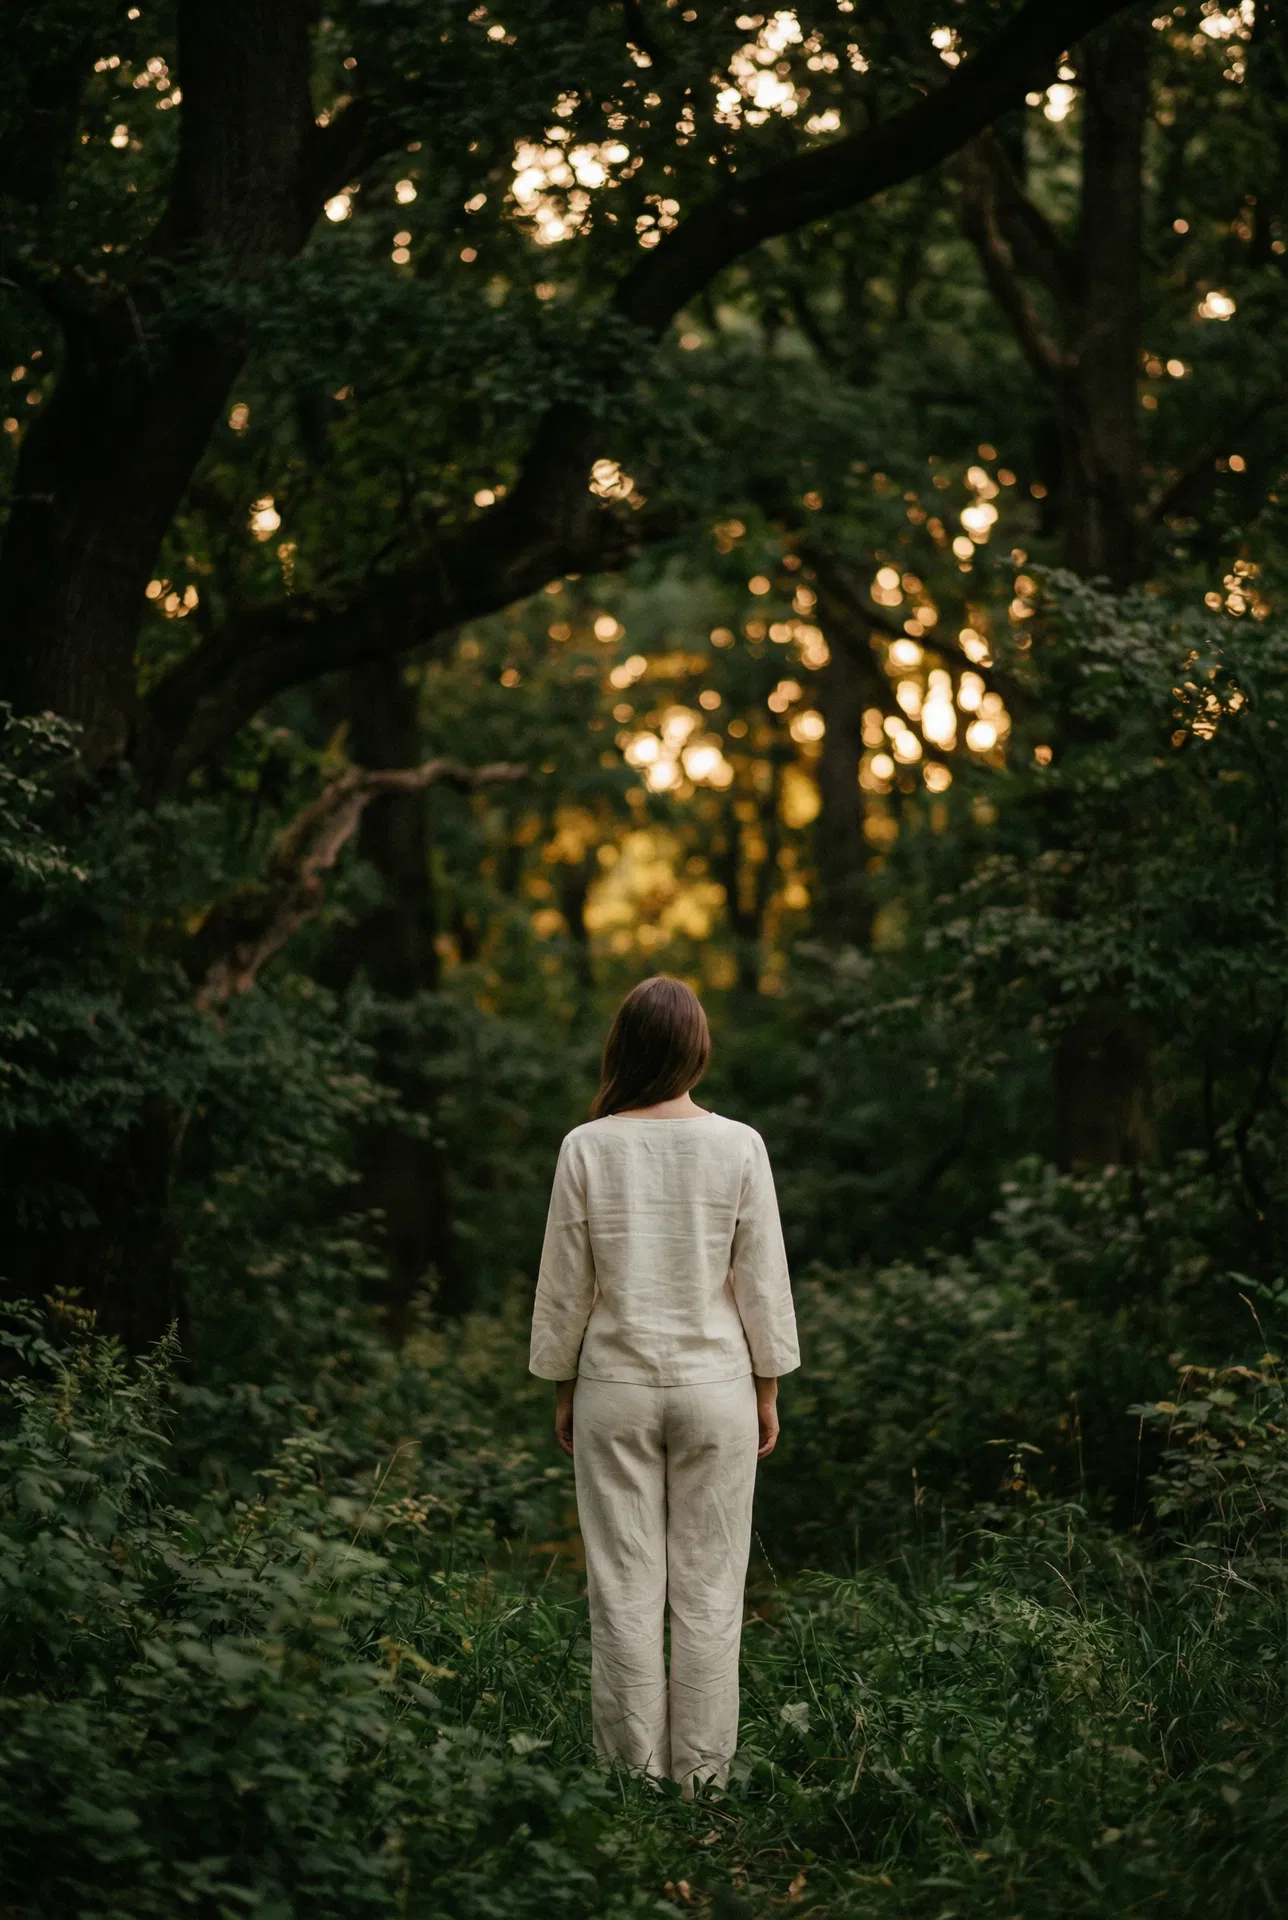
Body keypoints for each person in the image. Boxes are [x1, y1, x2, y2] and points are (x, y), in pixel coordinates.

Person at [529, 974, 799, 1797]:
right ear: (696, 1049)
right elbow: (762, 1279)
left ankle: (632, 1783)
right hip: (715, 1385)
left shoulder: (587, 1145)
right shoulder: (739, 1145)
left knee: (624, 1586)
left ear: (625, 1049)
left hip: (616, 1384)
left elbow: (565, 1283)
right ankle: (704, 1785)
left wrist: (563, 1383)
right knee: (712, 1589)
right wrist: (767, 1388)